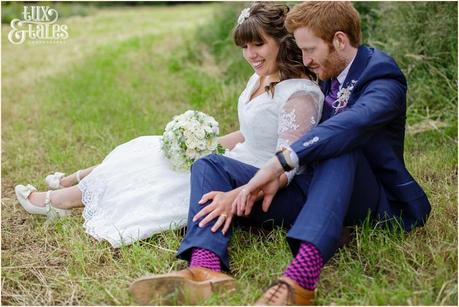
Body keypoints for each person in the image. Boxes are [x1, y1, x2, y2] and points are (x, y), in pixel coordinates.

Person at [129, 1, 431, 305]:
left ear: (340, 40)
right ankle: (205, 270)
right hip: (306, 189)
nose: (305, 60)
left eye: (310, 50)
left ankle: (300, 279)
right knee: (211, 166)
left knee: (340, 147)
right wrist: (254, 184)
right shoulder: (326, 66)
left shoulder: (382, 77)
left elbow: (352, 122)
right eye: (301, 50)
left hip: (369, 198)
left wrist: (280, 162)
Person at [14, 2, 323, 249]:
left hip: (254, 176)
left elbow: (288, 161)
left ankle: (58, 202)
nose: (250, 55)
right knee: (151, 149)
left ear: (282, 42)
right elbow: (252, 134)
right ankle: (74, 185)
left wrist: (235, 181)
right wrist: (209, 143)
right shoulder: (261, 76)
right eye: (244, 47)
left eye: (258, 44)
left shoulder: (299, 94)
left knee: (160, 173)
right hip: (235, 158)